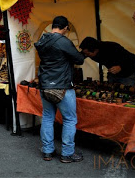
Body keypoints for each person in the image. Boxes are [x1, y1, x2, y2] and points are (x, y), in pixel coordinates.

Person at [34, 16, 85, 163]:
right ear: (65, 28)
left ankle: (47, 151)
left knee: (48, 117)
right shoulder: (63, 41)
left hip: (45, 85)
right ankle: (67, 154)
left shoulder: (43, 40)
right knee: (69, 119)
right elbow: (79, 59)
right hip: (62, 86)